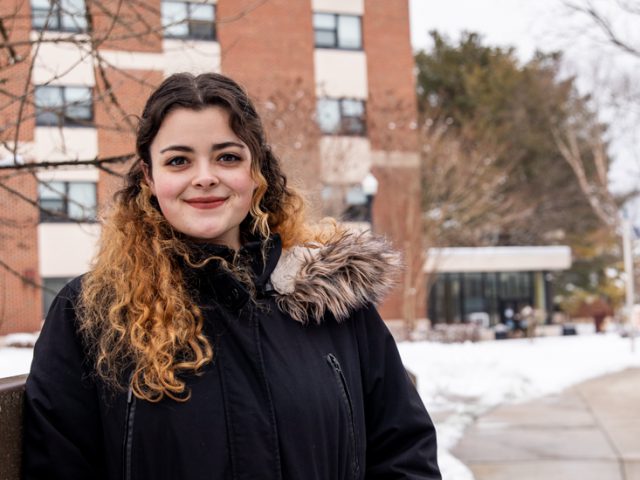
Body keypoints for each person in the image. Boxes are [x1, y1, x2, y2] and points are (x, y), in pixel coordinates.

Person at [22, 72, 441, 480]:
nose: (205, 177)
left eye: (227, 157)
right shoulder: (92, 314)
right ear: (149, 177)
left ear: (256, 171)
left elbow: (403, 452)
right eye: (179, 160)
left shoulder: (330, 297)